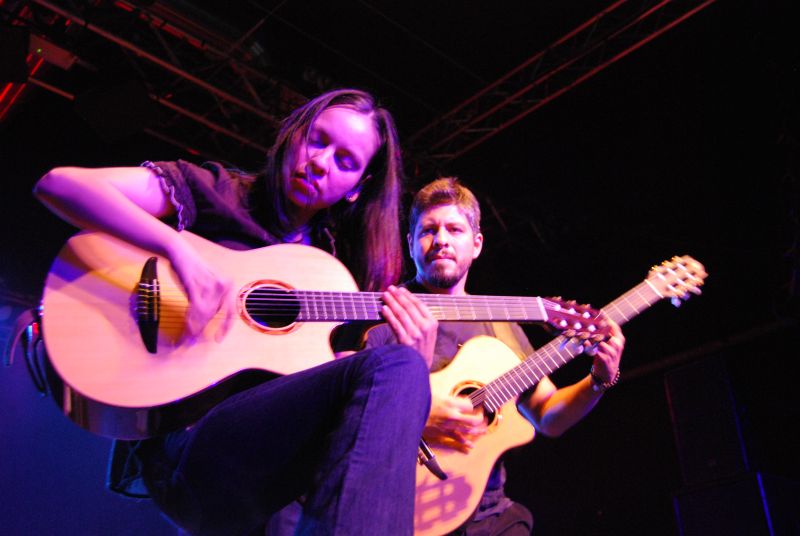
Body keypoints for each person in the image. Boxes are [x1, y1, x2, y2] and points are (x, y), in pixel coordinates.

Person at [33, 88, 438, 536]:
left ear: (356, 190)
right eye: (318, 140)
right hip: (186, 443)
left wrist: (406, 362)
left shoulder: (332, 267)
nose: (321, 162)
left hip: (260, 471)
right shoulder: (219, 191)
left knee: (400, 366)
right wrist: (177, 251)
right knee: (395, 367)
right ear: (294, 133)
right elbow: (59, 185)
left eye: (345, 162)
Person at [337, 177, 626, 535]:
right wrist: (417, 412)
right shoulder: (380, 319)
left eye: (454, 229)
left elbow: (548, 415)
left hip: (489, 513)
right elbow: (341, 414)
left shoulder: (502, 327)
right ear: (410, 243)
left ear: (476, 244)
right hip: (402, 508)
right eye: (428, 230)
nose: (441, 240)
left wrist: (598, 380)